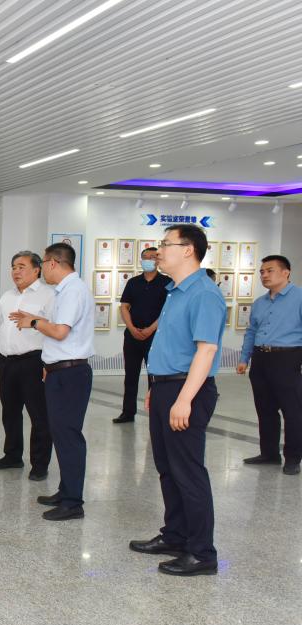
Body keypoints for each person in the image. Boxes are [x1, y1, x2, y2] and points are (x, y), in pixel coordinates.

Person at [129, 224, 224, 577]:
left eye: (165, 244)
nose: (158, 251)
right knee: (167, 468)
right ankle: (175, 535)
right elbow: (171, 345)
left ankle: (202, 553)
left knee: (188, 472)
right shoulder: (175, 291)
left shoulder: (204, 293)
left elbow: (206, 350)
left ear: (188, 250)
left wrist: (184, 399)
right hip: (167, 386)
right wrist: (157, 386)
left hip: (188, 390)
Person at [11, 244, 95, 521]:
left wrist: (34, 323)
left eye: (44, 263)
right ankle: (65, 491)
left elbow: (59, 332)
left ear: (53, 263)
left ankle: (73, 503)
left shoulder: (73, 291)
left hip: (71, 374)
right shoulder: (65, 291)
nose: (43, 269)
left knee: (69, 437)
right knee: (60, 434)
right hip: (60, 371)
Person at [0, 252, 55, 481]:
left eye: (21, 266)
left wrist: (49, 363)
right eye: (13, 267)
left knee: (39, 415)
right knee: (10, 412)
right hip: (7, 362)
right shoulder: (6, 297)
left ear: (36, 269)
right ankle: (12, 455)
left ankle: (40, 464)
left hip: (34, 362)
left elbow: (55, 330)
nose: (16, 271)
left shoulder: (48, 295)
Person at [237, 255, 302, 475]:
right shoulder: (259, 303)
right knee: (265, 409)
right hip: (260, 359)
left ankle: (293, 458)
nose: (264, 275)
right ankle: (269, 454)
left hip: (288, 359)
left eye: (269, 270)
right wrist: (244, 358)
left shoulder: (299, 297)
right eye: (262, 272)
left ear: (286, 272)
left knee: (293, 411)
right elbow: (251, 332)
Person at [114, 248, 172, 423]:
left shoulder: (167, 282)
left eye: (152, 257)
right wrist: (131, 328)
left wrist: (151, 329)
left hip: (155, 336)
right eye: (145, 257)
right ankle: (128, 412)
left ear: (158, 260)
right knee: (130, 375)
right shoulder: (133, 282)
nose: (148, 260)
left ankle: (155, 413)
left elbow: (167, 310)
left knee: (154, 376)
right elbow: (124, 306)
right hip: (132, 336)